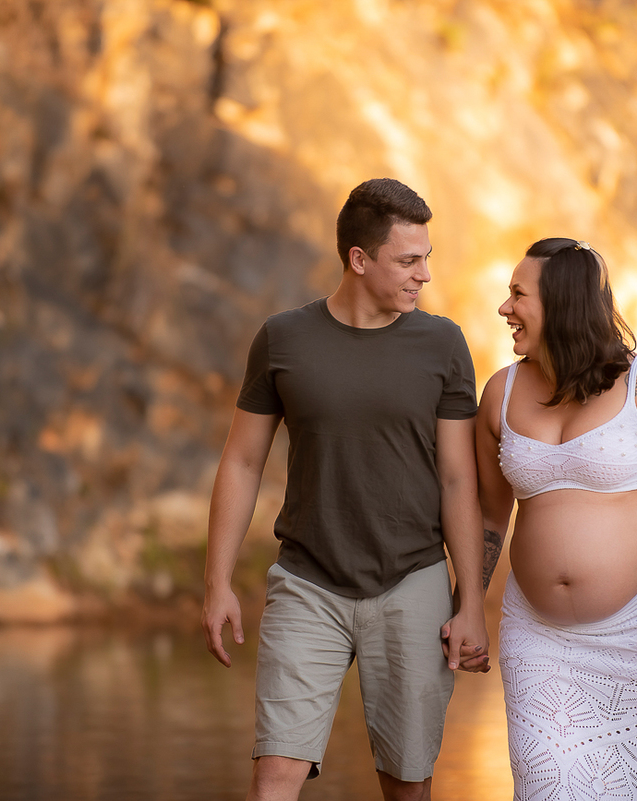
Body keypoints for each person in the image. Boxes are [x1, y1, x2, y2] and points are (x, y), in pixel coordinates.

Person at [201, 178, 490, 801]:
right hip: (307, 584)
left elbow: (458, 478)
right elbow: (243, 462)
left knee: (407, 783)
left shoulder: (442, 343)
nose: (424, 276)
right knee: (273, 777)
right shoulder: (283, 339)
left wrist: (469, 602)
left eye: (427, 259)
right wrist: (217, 581)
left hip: (413, 581)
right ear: (359, 260)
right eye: (409, 261)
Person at [476, 238, 637, 800]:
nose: (505, 309)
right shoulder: (500, 393)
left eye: (518, 295)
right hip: (539, 639)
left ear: (562, 305)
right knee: (545, 784)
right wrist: (467, 603)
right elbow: (489, 518)